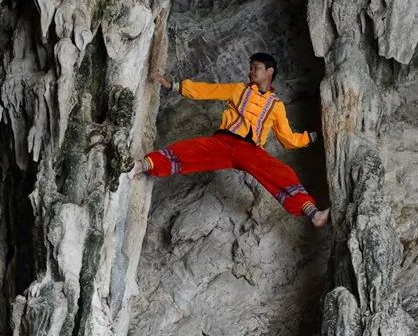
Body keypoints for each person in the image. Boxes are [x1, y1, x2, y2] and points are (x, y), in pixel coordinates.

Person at [134, 52, 330, 227]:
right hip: (224, 142)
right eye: (250, 67)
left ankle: (312, 213)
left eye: (256, 67)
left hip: (251, 151)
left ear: (269, 71)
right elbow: (208, 90)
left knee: (283, 172)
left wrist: (314, 136)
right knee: (188, 150)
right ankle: (143, 165)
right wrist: (174, 86)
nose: (251, 71)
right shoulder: (239, 90)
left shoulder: (276, 106)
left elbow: (287, 139)